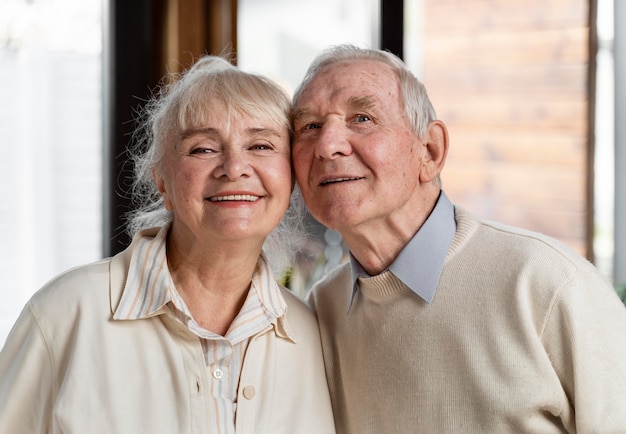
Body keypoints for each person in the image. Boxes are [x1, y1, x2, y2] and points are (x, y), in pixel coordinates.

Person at [291, 44, 626, 433]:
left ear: (430, 151)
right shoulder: (323, 309)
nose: (327, 146)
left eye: (362, 118)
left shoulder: (547, 282)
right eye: (310, 127)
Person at [0, 55, 335, 434]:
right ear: (161, 180)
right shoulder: (66, 312)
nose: (234, 167)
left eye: (260, 145)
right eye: (203, 149)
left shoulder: (311, 334)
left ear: (289, 176)